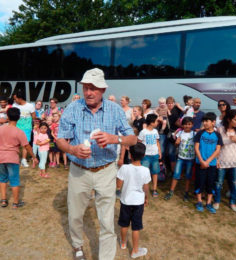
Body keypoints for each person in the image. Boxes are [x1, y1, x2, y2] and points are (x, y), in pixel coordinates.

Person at [57, 68, 136, 260]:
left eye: (93, 88)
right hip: (79, 171)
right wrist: (73, 150)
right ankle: (77, 246)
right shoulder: (73, 108)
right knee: (75, 214)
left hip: (106, 171)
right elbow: (60, 140)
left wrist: (114, 139)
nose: (89, 92)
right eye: (86, 87)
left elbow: (132, 139)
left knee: (107, 220)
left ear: (102, 90)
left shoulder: (115, 109)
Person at [117, 142, 151, 259]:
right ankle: (135, 250)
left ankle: (123, 243)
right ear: (144, 155)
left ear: (130, 155)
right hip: (138, 203)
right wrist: (146, 197)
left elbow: (118, 185)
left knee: (124, 223)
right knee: (136, 227)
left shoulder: (124, 168)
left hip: (125, 201)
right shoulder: (146, 170)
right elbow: (146, 187)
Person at [0, 108, 38, 208]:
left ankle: (3, 200)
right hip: (12, 158)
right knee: (14, 180)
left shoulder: (1, 128)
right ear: (18, 118)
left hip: (1, 158)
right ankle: (16, 203)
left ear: (7, 116)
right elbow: (27, 146)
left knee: (2, 179)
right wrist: (34, 157)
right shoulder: (19, 132)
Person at [214, 110, 236, 212]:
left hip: (235, 161)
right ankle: (217, 201)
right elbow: (216, 147)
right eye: (235, 119)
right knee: (219, 182)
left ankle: (232, 202)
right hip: (222, 160)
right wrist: (216, 159)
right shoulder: (220, 130)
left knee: (234, 182)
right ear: (229, 119)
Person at [194, 112, 223, 214]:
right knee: (200, 182)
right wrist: (202, 161)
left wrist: (208, 161)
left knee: (210, 183)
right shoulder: (200, 133)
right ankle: (199, 202)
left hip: (211, 164)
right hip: (200, 163)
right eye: (204, 121)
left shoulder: (217, 135)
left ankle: (209, 203)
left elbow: (217, 150)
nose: (205, 123)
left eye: (207, 121)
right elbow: (196, 148)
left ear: (213, 122)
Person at [164, 117, 195, 201]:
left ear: (192, 125)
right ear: (182, 125)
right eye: (185, 124)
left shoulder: (194, 134)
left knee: (188, 177)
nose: (187, 126)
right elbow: (176, 145)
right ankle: (171, 191)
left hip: (190, 159)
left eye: (189, 124)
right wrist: (176, 143)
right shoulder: (180, 133)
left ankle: (186, 193)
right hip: (180, 158)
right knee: (176, 175)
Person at [138, 114, 161, 198]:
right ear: (152, 122)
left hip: (155, 155)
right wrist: (141, 153)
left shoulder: (155, 131)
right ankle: (143, 189)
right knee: (144, 173)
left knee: (155, 172)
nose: (158, 122)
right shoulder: (143, 132)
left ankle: (154, 189)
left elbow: (157, 142)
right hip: (146, 156)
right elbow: (139, 143)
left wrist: (159, 152)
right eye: (156, 121)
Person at [13, 92, 36, 167]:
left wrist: (35, 127)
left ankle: (24, 159)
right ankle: (15, 160)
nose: (14, 100)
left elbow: (34, 117)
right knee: (15, 145)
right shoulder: (14, 105)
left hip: (27, 128)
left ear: (20, 98)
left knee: (25, 145)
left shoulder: (30, 106)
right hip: (17, 128)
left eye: (15, 98)